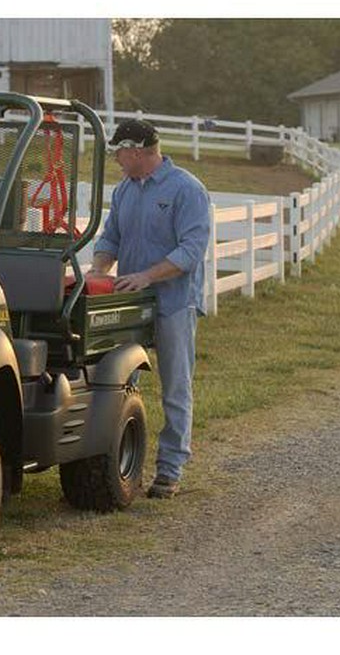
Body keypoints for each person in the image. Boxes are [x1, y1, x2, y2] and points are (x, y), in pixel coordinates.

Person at [91, 119, 210, 499]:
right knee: (123, 385)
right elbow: (111, 236)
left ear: (138, 151)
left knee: (176, 386)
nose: (117, 159)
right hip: (130, 304)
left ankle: (170, 470)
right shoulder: (125, 190)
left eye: (119, 152)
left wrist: (147, 276)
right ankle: (124, 466)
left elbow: (190, 252)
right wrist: (96, 271)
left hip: (173, 303)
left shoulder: (187, 190)